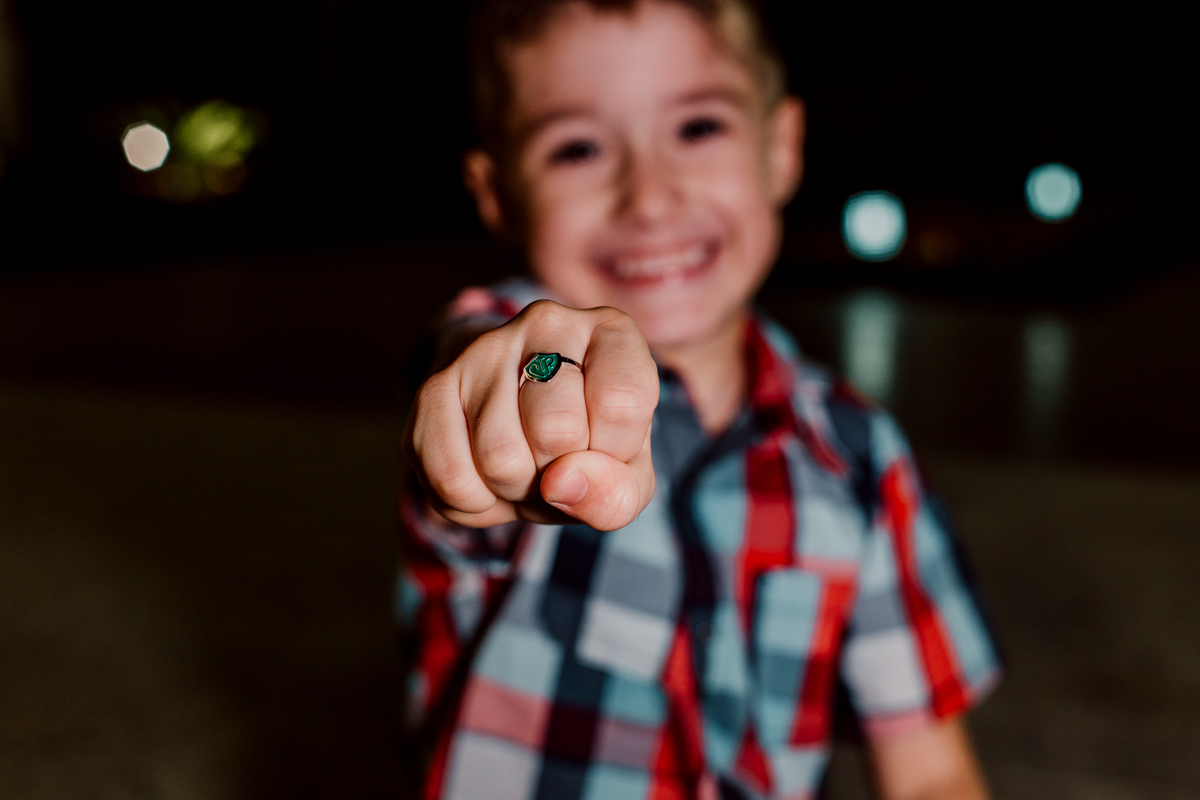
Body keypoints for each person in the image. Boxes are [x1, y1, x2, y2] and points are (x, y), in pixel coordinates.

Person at [398, 1, 1002, 797]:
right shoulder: (502, 353)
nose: (649, 198)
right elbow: (476, 362)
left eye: (698, 128)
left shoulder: (860, 454)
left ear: (781, 149)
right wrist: (506, 397)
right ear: (497, 194)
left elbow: (929, 771)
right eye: (576, 148)